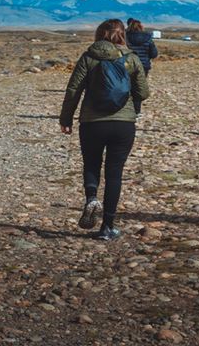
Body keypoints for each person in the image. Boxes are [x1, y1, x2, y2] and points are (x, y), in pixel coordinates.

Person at [59, 18, 150, 241]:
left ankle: (91, 198)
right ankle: (107, 227)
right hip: (123, 124)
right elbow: (143, 93)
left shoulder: (89, 57)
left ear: (99, 34)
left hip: (91, 122)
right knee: (114, 172)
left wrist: (66, 118)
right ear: (122, 35)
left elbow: (73, 90)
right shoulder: (131, 59)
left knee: (91, 163)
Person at [125, 18, 158, 115]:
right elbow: (154, 54)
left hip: (127, 65)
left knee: (125, 86)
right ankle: (136, 111)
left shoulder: (125, 37)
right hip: (144, 66)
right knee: (139, 87)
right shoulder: (148, 38)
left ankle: (124, 109)